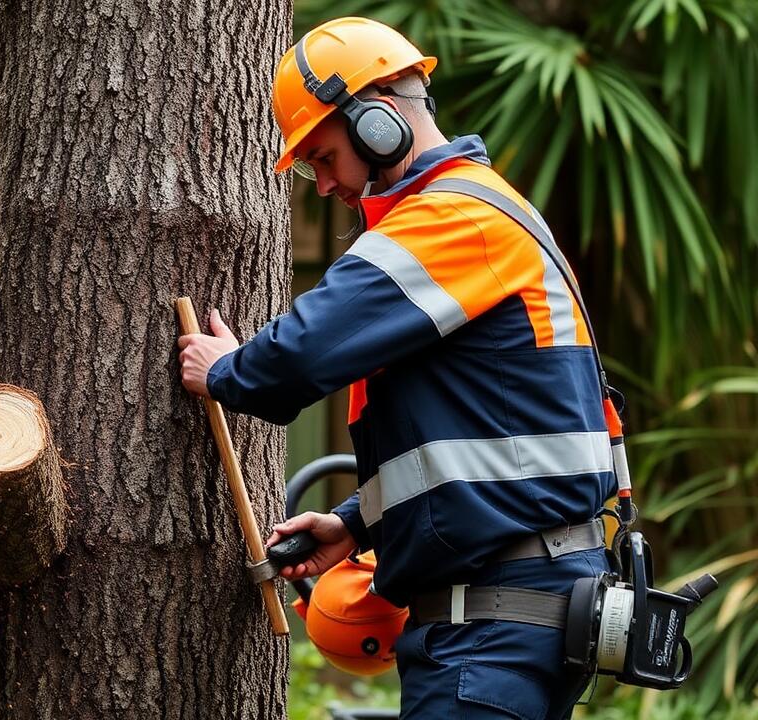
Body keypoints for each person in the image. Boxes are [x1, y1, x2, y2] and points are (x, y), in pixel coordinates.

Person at [177, 17, 619, 720]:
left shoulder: (450, 219)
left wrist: (227, 369)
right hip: (519, 612)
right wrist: (358, 524)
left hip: (494, 629)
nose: (324, 184)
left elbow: (301, 355)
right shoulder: (483, 212)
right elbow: (490, 438)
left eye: (323, 157)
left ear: (377, 123)